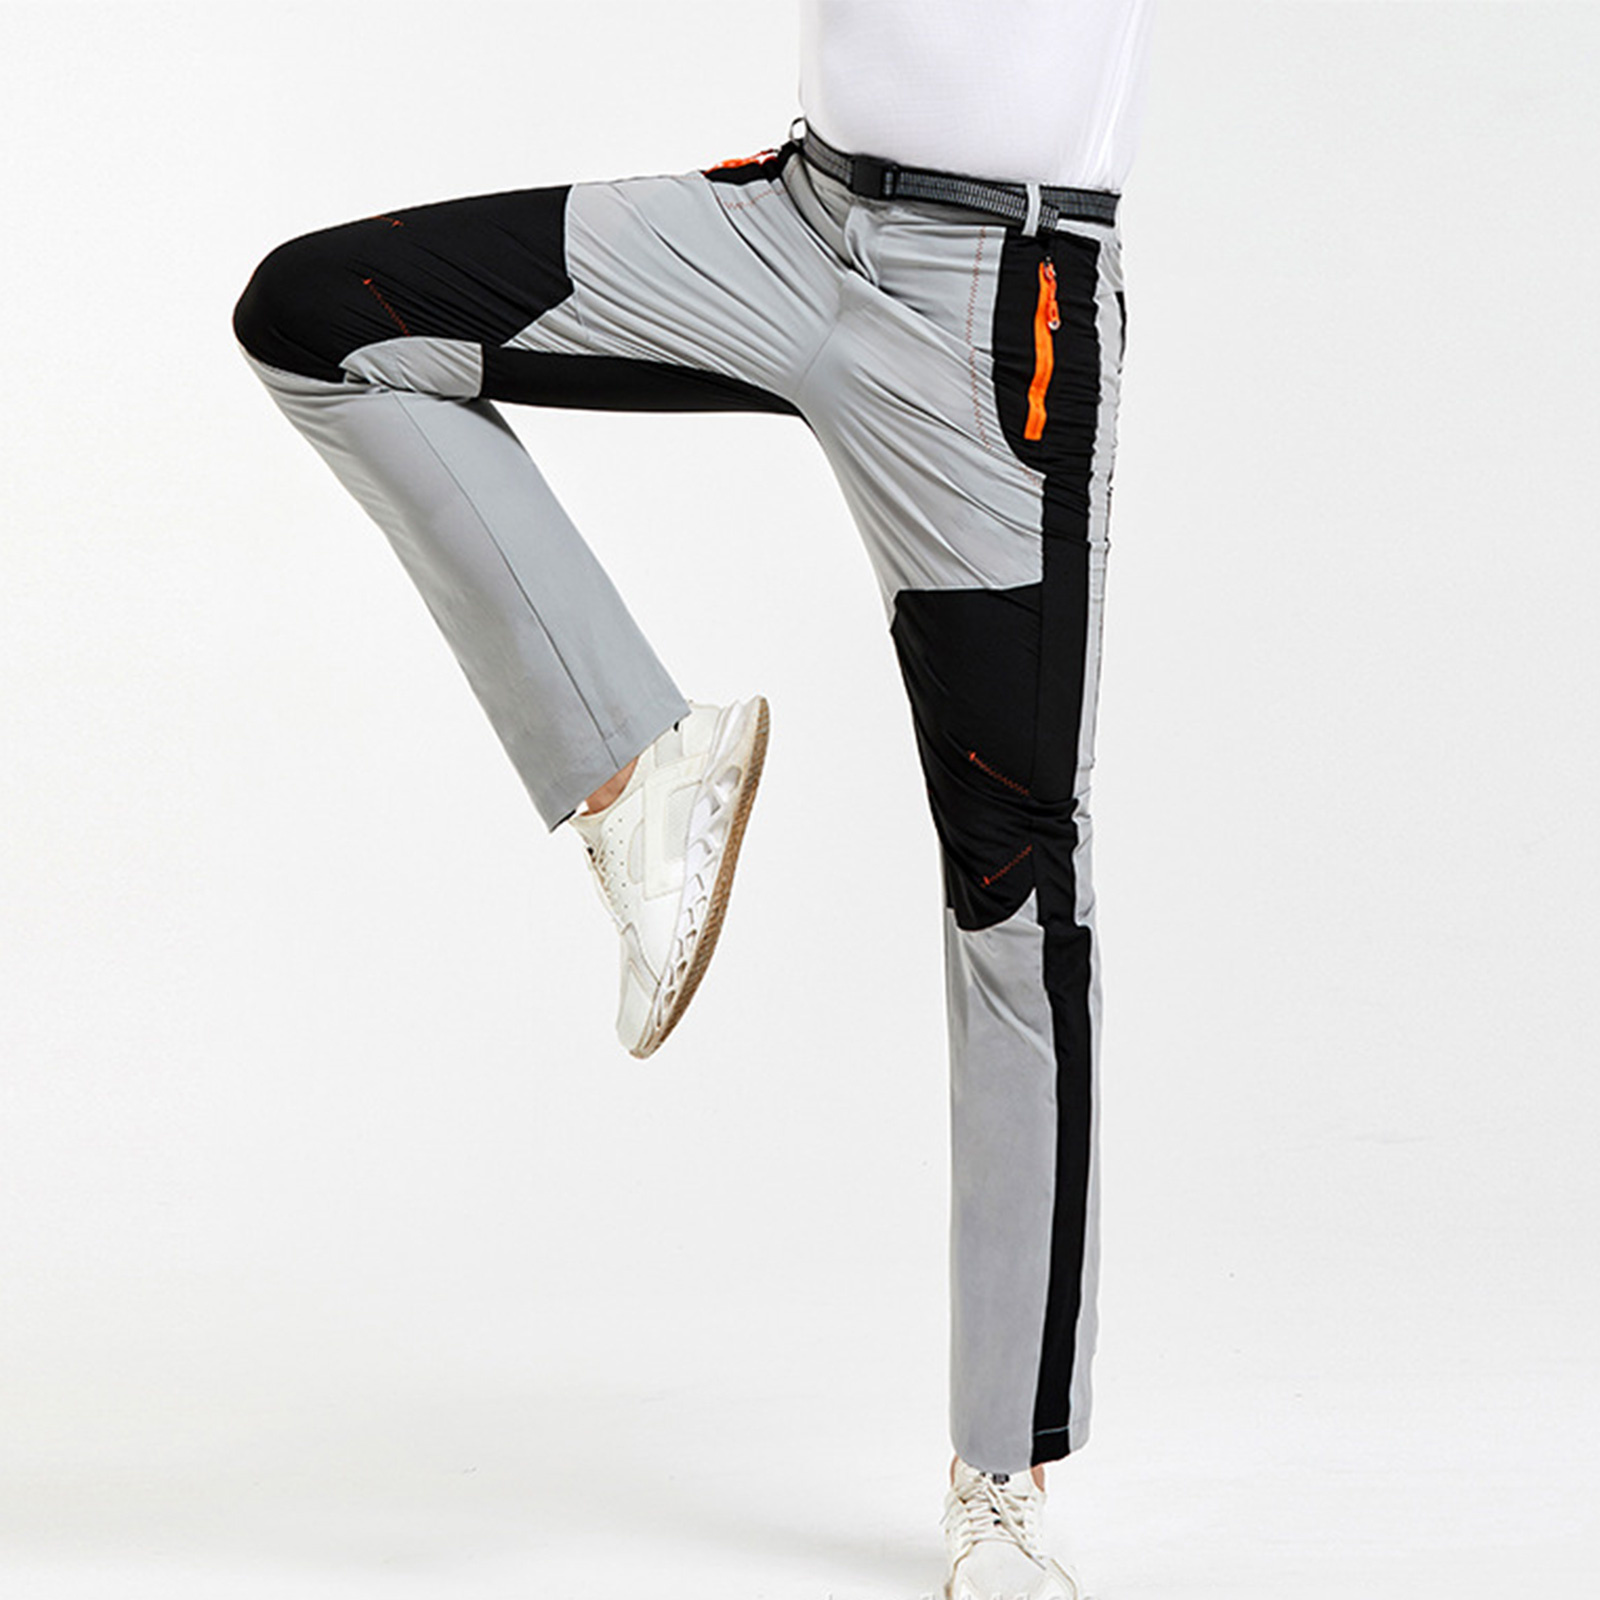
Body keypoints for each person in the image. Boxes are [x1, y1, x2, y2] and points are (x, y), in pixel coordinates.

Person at [231, 1, 1155, 1594]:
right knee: (326, 315)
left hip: (995, 314)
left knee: (1012, 878)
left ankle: (997, 1477)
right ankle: (635, 761)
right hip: (788, 224)